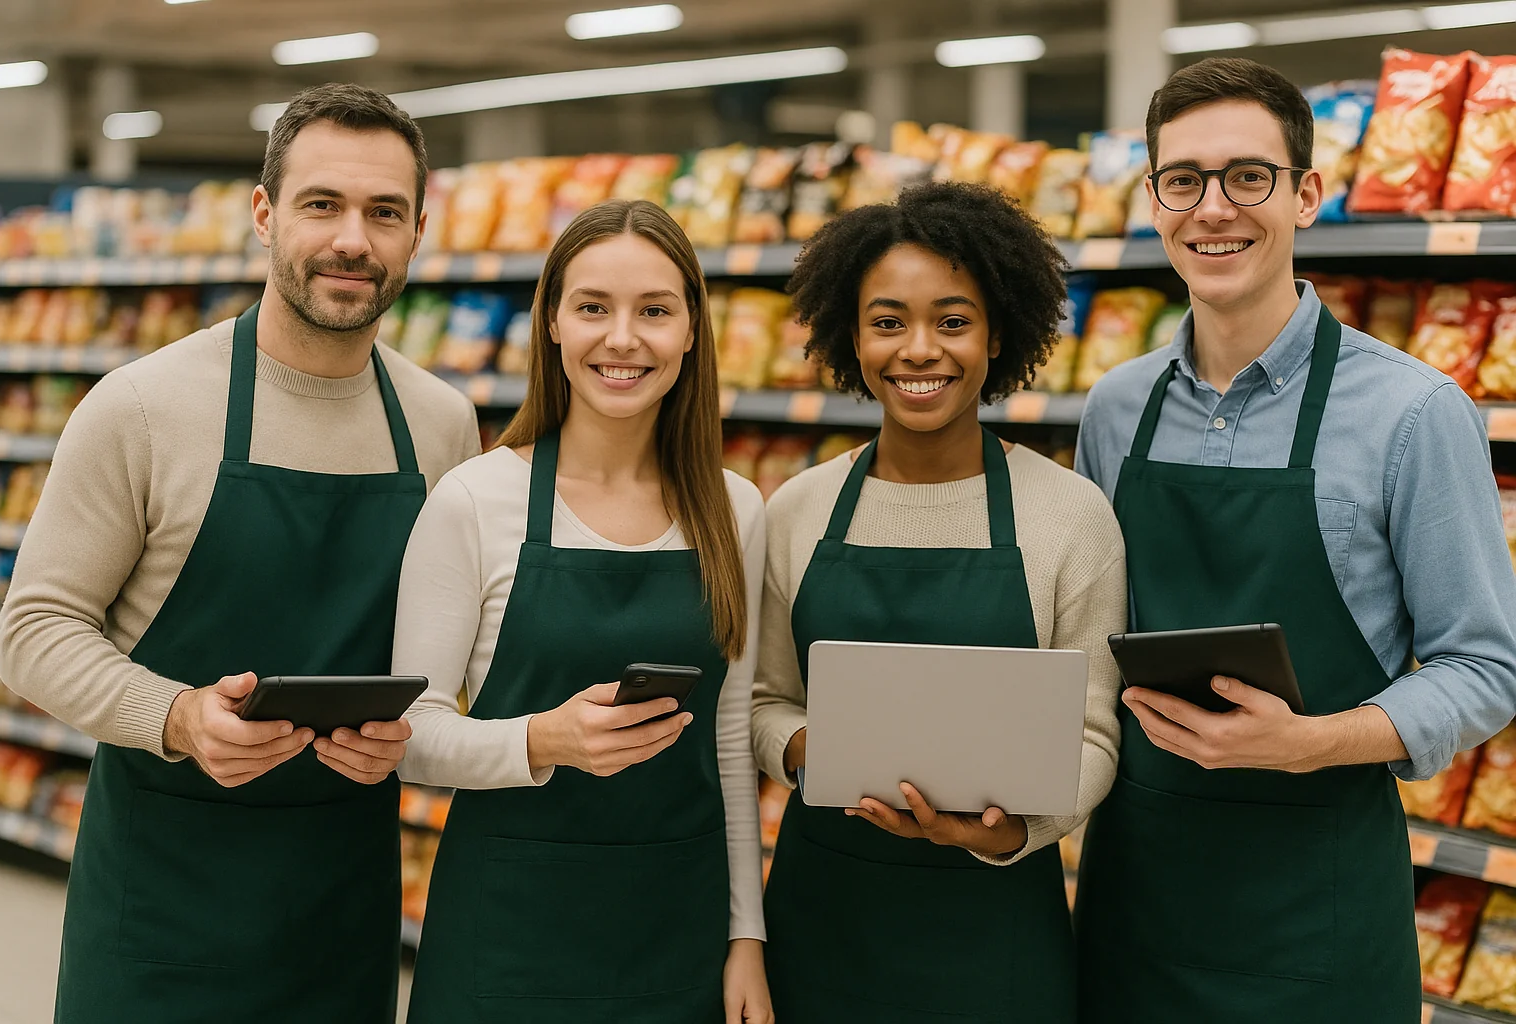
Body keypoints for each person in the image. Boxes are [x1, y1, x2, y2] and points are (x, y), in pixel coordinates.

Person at [0, 83, 481, 1023]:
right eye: (322, 204)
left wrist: (420, 724)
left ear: (419, 230)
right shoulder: (141, 407)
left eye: (385, 212)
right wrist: (177, 715)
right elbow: (36, 630)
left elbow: (444, 656)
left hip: (342, 897)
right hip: (165, 895)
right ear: (264, 215)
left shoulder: (440, 422)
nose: (354, 239)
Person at [1073, 57, 1516, 1024]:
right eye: (1184, 180)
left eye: (1249, 176)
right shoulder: (1115, 409)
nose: (1213, 208)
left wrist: (1312, 742)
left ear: (1308, 194)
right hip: (1137, 895)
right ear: (1154, 200)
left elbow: (1484, 667)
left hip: (1316, 906)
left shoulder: (1414, 412)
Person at [750, 181, 1126, 1023]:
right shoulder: (798, 510)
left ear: (999, 335)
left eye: (952, 321)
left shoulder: (1069, 515)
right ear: (851, 337)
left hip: (995, 936)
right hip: (823, 926)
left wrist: (1006, 831)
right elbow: (764, 702)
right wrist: (820, 752)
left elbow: (1096, 733)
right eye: (888, 322)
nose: (920, 350)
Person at [393, 198, 772, 1024]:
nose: (623, 338)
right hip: (508, 929)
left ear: (692, 331)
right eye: (593, 307)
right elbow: (408, 735)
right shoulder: (476, 501)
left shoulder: (735, 512)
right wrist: (543, 739)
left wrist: (747, 936)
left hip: (680, 927)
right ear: (553, 324)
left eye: (655, 311)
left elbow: (731, 733)